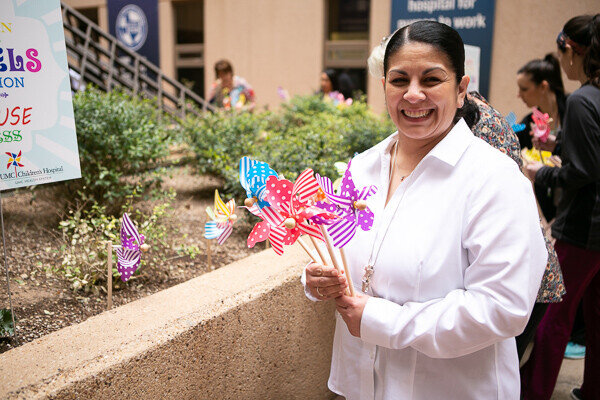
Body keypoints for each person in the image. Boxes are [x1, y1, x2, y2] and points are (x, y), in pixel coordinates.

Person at [303, 21, 547, 399]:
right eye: (399, 80)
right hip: (363, 386)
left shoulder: (493, 180)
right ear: (384, 86)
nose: (413, 95)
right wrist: (318, 280)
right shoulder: (362, 168)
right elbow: (338, 248)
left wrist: (384, 321)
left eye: (431, 80)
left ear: (461, 89)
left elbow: (502, 307)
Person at [522, 14, 600, 400]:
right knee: (597, 318)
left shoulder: (585, 98)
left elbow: (584, 170)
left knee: (554, 318)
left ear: (575, 50)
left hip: (583, 228)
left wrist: (541, 173)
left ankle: (531, 392)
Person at [469, 91, 565, 364]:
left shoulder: (477, 122)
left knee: (496, 370)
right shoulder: (478, 113)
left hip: (522, 276)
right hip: (524, 273)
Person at [517, 54, 568, 222]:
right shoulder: (528, 124)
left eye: (524, 89)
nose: (519, 95)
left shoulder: (573, 111)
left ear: (543, 86)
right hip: (550, 212)